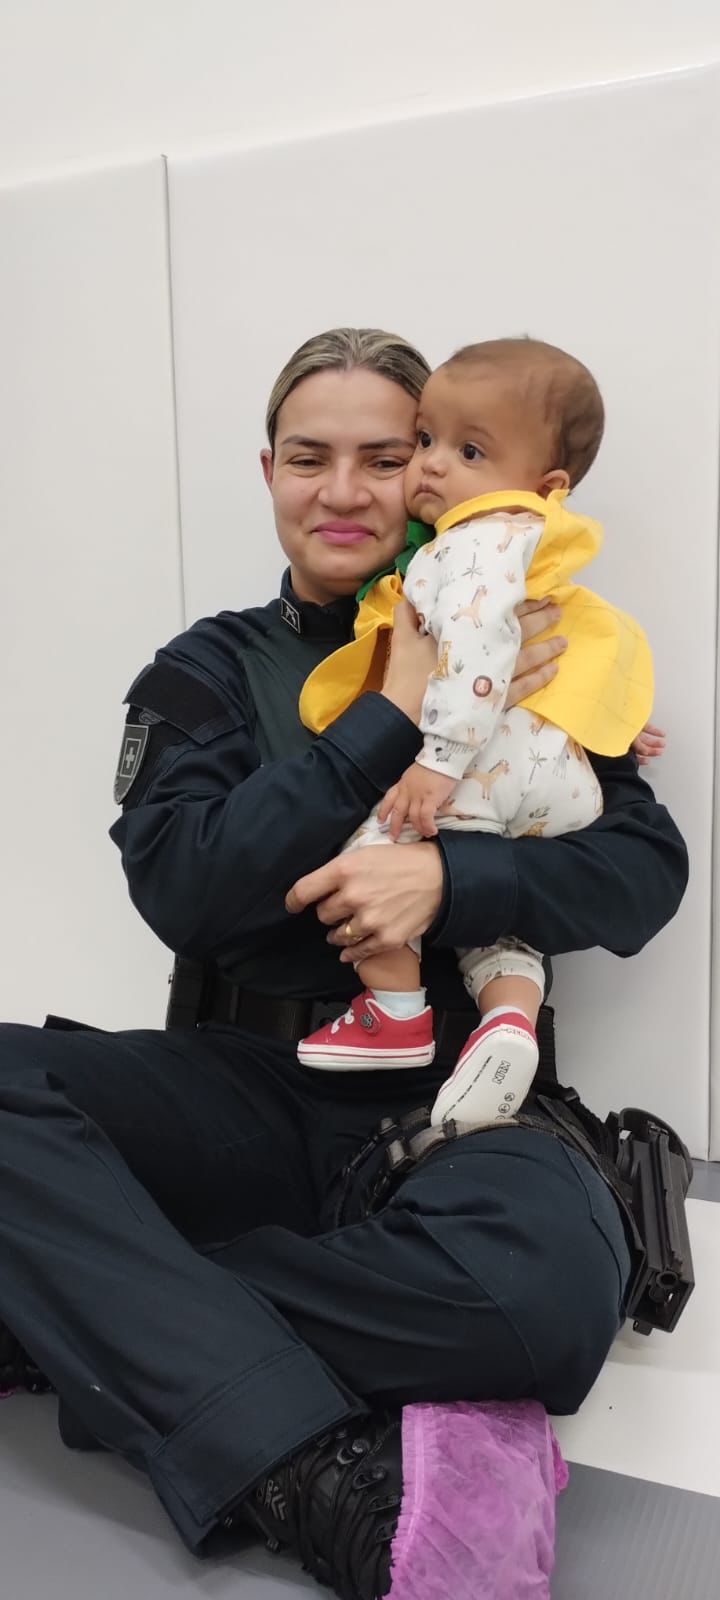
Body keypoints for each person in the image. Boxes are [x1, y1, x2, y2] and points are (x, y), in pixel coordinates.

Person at [0, 327, 687, 1600]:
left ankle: (97, 1311)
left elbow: (645, 875)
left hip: (462, 1111)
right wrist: (386, 713)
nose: (350, 490)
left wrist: (455, 880)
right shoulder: (210, 668)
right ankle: (309, 1467)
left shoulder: (532, 624)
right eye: (311, 457)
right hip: (253, 1088)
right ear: (269, 471)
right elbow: (187, 890)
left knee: (542, 1301)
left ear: (432, 463)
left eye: (389, 453)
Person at [296, 338, 653, 1134]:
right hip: (552, 781)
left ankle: (394, 1011)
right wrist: (617, 723)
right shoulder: (533, 551)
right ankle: (510, 1020)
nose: (431, 465)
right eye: (426, 440)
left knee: (372, 852)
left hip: (485, 765)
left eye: (467, 451)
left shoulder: (472, 543)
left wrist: (438, 760)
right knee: (497, 927)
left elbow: (479, 646)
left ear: (545, 483)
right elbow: (587, 641)